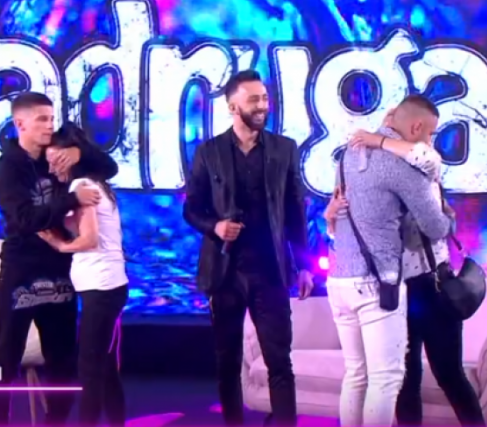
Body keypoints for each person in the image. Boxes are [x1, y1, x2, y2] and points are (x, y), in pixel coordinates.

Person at [183, 70, 314, 426]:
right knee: (227, 361)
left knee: (279, 360)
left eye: (265, 99)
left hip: (270, 271)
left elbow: (295, 209)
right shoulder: (209, 152)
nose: (262, 106)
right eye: (254, 99)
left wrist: (304, 265)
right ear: (232, 106)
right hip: (225, 273)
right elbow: (191, 209)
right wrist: (215, 227)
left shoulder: (283, 149)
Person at [326, 94, 454, 427]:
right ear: (416, 128)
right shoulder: (403, 166)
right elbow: (434, 226)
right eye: (430, 134)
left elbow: (337, 212)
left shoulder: (348, 154)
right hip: (376, 282)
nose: (430, 141)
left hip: (339, 279)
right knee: (385, 379)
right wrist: (448, 217)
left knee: (356, 373)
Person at [0, 92, 118, 424]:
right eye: (42, 120)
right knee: (6, 358)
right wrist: (71, 199)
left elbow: (110, 167)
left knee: (62, 362)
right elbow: (24, 219)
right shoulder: (10, 167)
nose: (50, 125)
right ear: (20, 124)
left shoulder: (60, 151)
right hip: (21, 271)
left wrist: (79, 152)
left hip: (61, 271)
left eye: (51, 118)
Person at [348, 127, 485, 426]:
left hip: (433, 287)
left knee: (449, 374)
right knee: (405, 382)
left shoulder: (424, 169)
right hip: (396, 290)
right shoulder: (375, 180)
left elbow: (426, 158)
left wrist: (379, 140)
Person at [36, 122, 129, 427]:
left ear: (72, 156)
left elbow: (89, 239)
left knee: (89, 368)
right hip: (106, 285)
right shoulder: (94, 184)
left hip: (102, 287)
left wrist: (59, 245)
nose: (52, 168)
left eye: (56, 160)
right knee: (104, 366)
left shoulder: (82, 186)